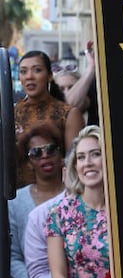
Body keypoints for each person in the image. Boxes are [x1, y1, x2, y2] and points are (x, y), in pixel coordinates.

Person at [47, 125, 114, 278]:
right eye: (82, 157)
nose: (88, 163)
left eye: (96, 154)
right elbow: (57, 275)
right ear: (75, 166)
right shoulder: (59, 213)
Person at [8, 123, 66, 278]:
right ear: (29, 161)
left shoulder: (76, 194)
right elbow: (13, 258)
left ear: (61, 154)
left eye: (51, 149)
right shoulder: (16, 201)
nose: (45, 156)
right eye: (36, 152)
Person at [14, 51, 84, 185]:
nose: (29, 77)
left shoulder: (69, 114)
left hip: (57, 199)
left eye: (37, 70)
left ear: (50, 75)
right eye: (23, 72)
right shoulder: (11, 114)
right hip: (17, 198)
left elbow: (74, 165)